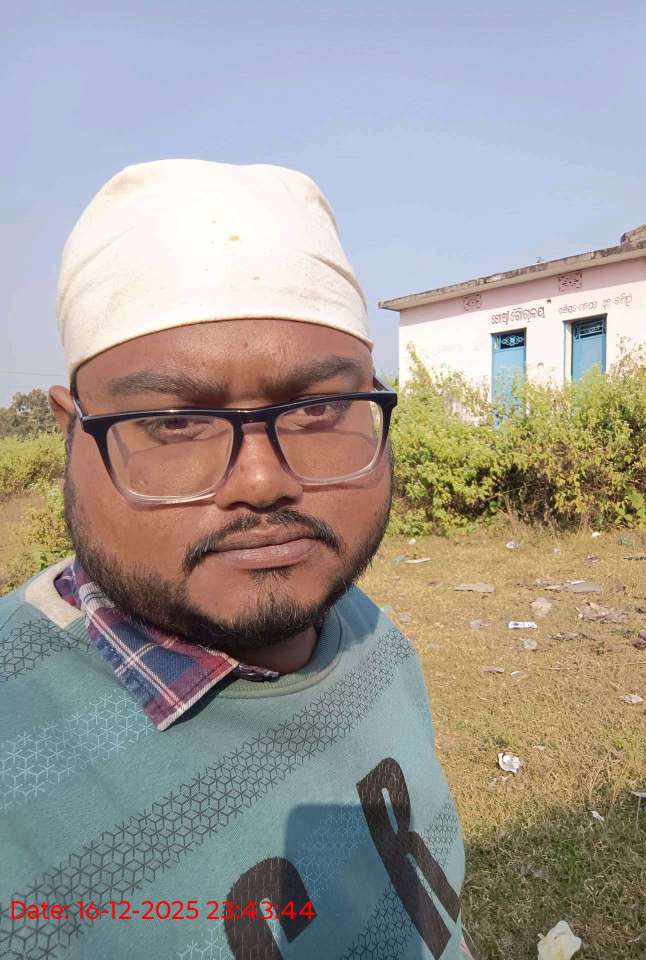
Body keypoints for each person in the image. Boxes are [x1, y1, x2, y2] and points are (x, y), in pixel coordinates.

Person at [0, 160, 476, 960]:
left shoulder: (369, 634)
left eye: (319, 408)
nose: (263, 481)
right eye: (174, 421)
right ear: (70, 431)